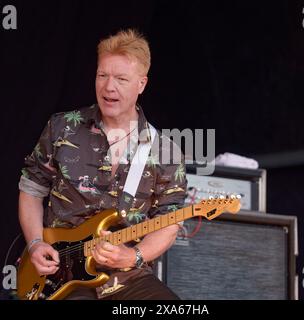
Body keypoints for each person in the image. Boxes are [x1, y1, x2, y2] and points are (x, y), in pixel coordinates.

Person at [18, 29, 187, 300]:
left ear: (141, 84)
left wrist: (134, 255)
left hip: (128, 278)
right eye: (102, 75)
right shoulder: (63, 127)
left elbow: (169, 221)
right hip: (58, 273)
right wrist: (36, 244)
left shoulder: (165, 151)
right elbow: (31, 189)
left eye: (121, 79)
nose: (109, 87)